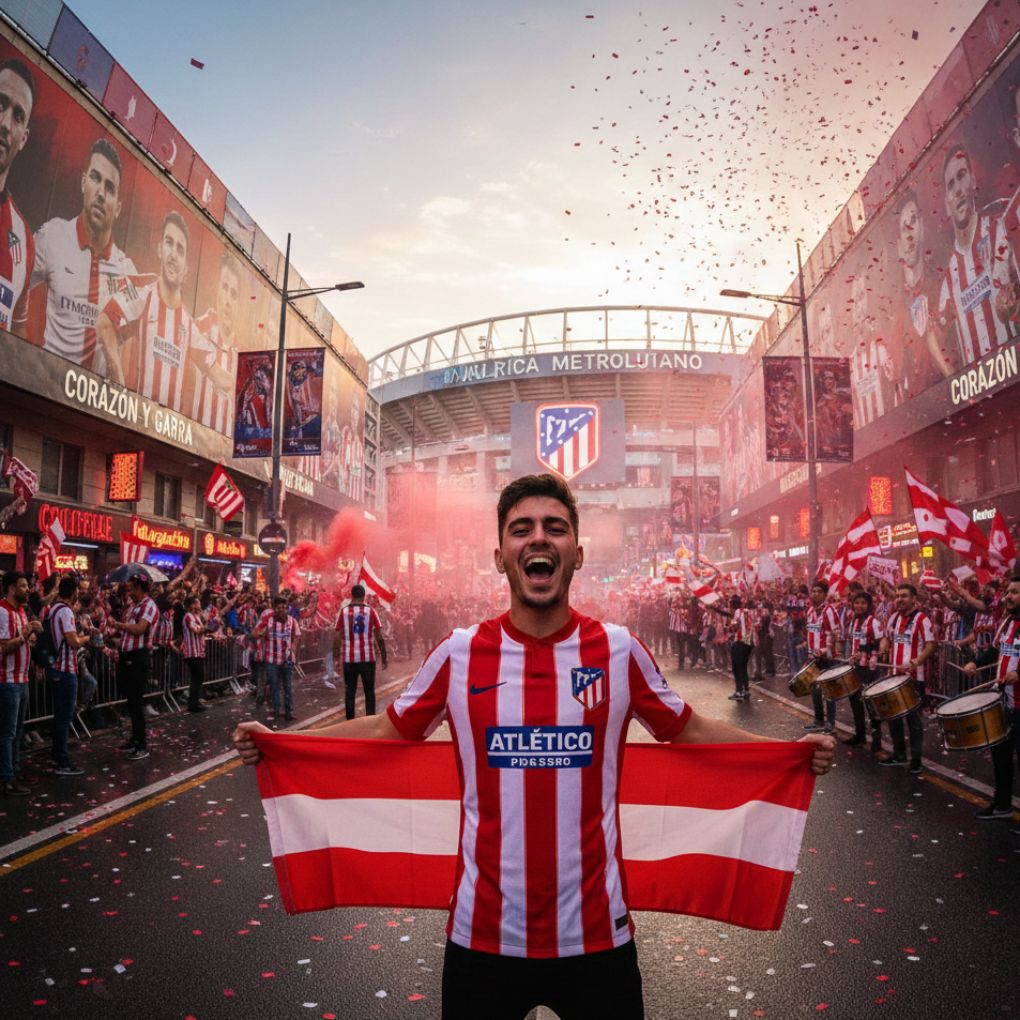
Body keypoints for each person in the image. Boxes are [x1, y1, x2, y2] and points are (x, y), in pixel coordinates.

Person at [234, 473, 834, 1020]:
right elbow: (387, 728)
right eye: (521, 529)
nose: (538, 539)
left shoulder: (620, 651)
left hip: (598, 940)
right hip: (481, 941)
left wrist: (788, 752)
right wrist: (287, 741)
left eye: (555, 527)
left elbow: (691, 729)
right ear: (501, 555)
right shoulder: (459, 653)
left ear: (576, 551)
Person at [95, 210, 229, 412]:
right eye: (169, 243)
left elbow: (217, 374)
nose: (173, 254)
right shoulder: (143, 296)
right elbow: (104, 322)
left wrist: (259, 384)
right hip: (138, 420)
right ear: (160, 250)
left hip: (169, 431)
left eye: (180, 249)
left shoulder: (188, 325)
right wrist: (118, 380)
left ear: (186, 268)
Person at [30, 137, 137, 368]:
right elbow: (14, 281)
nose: (100, 193)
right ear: (83, 182)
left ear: (117, 208)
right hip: (45, 390)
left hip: (90, 402)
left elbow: (126, 349)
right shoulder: (53, 235)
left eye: (110, 188)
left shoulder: (126, 271)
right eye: (95, 178)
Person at [938, 144, 1017, 366]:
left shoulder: (999, 232)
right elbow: (937, 337)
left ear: (973, 181)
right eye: (950, 184)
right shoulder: (948, 279)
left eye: (961, 176)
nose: (957, 190)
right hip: (979, 394)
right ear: (946, 204)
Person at [965, 575, 1020, 828]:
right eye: (1008, 592)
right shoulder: (1007, 622)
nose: (1007, 596)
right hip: (1004, 702)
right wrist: (975, 661)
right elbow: (995, 650)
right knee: (1001, 755)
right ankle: (1002, 804)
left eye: (1014, 592)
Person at [877, 583, 937, 774]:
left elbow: (930, 645)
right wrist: (883, 647)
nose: (899, 599)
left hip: (913, 678)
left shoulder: (922, 619)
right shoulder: (894, 618)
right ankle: (899, 754)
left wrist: (916, 661)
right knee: (894, 717)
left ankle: (916, 759)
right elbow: (886, 637)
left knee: (913, 721)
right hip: (893, 676)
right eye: (897, 596)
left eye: (904, 596)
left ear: (913, 599)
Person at [0, 57, 36, 334]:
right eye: (1, 103)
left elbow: (16, 344)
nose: (5, 123)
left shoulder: (24, 240)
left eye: (18, 116)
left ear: (23, 138)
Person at [108, 571, 159, 760]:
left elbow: (139, 628)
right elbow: (126, 631)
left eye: (131, 588)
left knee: (135, 701)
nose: (128, 592)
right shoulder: (132, 606)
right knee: (129, 698)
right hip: (126, 656)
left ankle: (141, 744)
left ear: (139, 587)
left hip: (139, 657)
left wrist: (119, 625)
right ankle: (134, 738)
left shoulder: (149, 605)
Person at [0, 570, 41, 795]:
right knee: (7, 732)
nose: (28, 590)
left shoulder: (22, 611)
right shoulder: (2, 611)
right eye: (24, 586)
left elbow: (25, 639)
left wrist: (34, 634)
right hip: (7, 680)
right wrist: (26, 635)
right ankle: (6, 777)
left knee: (17, 730)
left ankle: (14, 769)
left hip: (22, 678)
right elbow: (4, 646)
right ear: (12, 588)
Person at [45, 574, 91, 775]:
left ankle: (57, 754)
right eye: (78, 591)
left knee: (60, 716)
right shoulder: (65, 612)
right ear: (73, 592)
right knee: (64, 717)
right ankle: (62, 760)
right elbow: (72, 641)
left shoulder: (52, 609)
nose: (78, 595)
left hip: (55, 668)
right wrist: (86, 637)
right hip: (64, 669)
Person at [192, 253, 242, 433]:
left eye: (234, 294)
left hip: (227, 453)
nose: (228, 300)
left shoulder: (241, 358)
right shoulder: (197, 329)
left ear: (239, 304)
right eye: (225, 288)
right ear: (216, 290)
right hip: (193, 444)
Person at [333, 583, 387, 720]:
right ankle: (370, 721)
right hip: (368, 659)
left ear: (351, 595)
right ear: (364, 597)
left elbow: (337, 637)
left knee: (350, 692)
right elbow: (379, 636)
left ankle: (350, 722)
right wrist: (384, 656)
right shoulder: (371, 611)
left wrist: (335, 658)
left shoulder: (343, 612)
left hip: (349, 660)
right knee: (369, 692)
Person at [845, 590, 884, 750]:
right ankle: (859, 735)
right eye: (857, 602)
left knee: (871, 705)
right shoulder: (854, 622)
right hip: (856, 668)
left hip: (870, 669)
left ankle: (876, 740)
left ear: (868, 605)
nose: (859, 606)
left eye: (863, 603)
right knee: (855, 702)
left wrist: (864, 650)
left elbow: (881, 642)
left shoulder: (873, 622)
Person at [252, 596, 299, 722]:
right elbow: (255, 633)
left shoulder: (292, 620)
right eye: (279, 608)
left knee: (288, 687)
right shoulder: (268, 620)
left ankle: (289, 712)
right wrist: (261, 633)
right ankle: (277, 712)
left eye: (284, 608)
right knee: (274, 686)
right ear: (274, 609)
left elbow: (297, 635)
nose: (282, 610)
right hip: (272, 661)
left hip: (287, 660)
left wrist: (293, 649)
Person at [804, 581, 839, 734]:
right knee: (815, 689)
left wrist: (825, 650)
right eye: (813, 591)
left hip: (828, 658)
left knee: (828, 690)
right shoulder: (810, 611)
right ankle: (819, 720)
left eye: (819, 592)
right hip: (813, 657)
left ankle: (830, 723)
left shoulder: (829, 611)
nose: (815, 594)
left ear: (825, 595)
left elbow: (835, 634)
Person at [181, 595, 207, 712]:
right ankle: (193, 705)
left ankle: (195, 702)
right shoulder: (188, 616)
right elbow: (196, 630)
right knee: (197, 678)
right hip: (192, 652)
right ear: (191, 605)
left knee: (198, 678)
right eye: (197, 602)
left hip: (198, 651)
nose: (199, 604)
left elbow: (201, 630)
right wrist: (205, 626)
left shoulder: (196, 616)